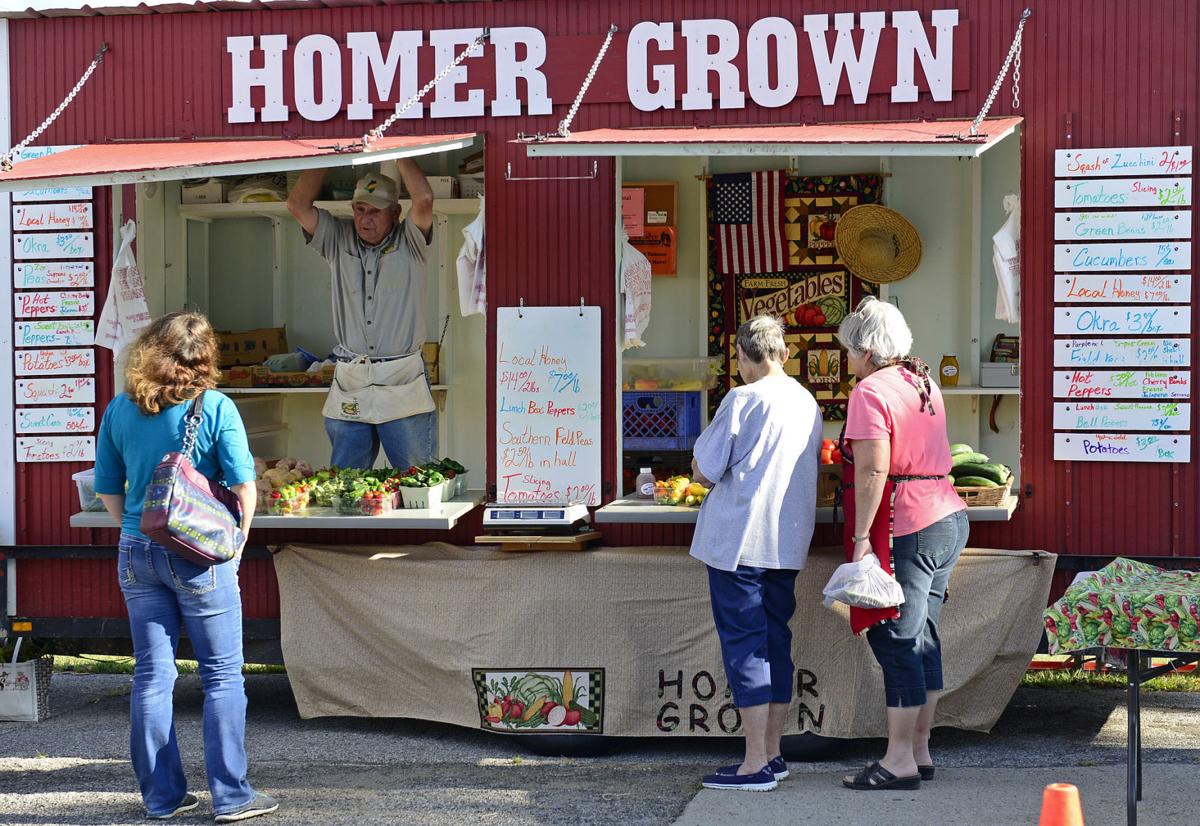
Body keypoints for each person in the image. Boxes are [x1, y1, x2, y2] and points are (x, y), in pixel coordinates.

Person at [94, 312, 278, 822]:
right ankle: (232, 797)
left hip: (136, 550)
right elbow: (243, 485)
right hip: (199, 557)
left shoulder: (121, 408)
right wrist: (237, 541)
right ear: (206, 357)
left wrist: (138, 527)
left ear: (151, 350)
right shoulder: (214, 406)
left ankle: (163, 798)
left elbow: (107, 487)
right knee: (222, 675)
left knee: (152, 675)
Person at [836, 296, 969, 791]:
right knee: (923, 635)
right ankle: (919, 749)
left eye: (849, 351)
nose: (847, 360)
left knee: (897, 638)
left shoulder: (870, 391)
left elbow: (873, 469)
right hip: (947, 513)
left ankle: (898, 761)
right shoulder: (923, 381)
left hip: (906, 521)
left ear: (868, 351)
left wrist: (859, 538)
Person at [689, 315, 822, 792]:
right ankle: (773, 753)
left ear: (743, 355)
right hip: (786, 543)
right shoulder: (807, 401)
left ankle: (753, 764)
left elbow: (703, 470)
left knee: (746, 647)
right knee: (775, 643)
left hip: (740, 541)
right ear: (783, 354)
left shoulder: (743, 399)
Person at [287, 162, 437, 469]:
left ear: (395, 213)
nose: (365, 219)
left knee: (416, 478)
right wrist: (330, 153)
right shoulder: (338, 238)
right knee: (346, 481)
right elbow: (297, 205)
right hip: (352, 374)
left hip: (401, 375)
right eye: (360, 210)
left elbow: (423, 199)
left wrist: (398, 152)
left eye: (375, 211)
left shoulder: (410, 241)